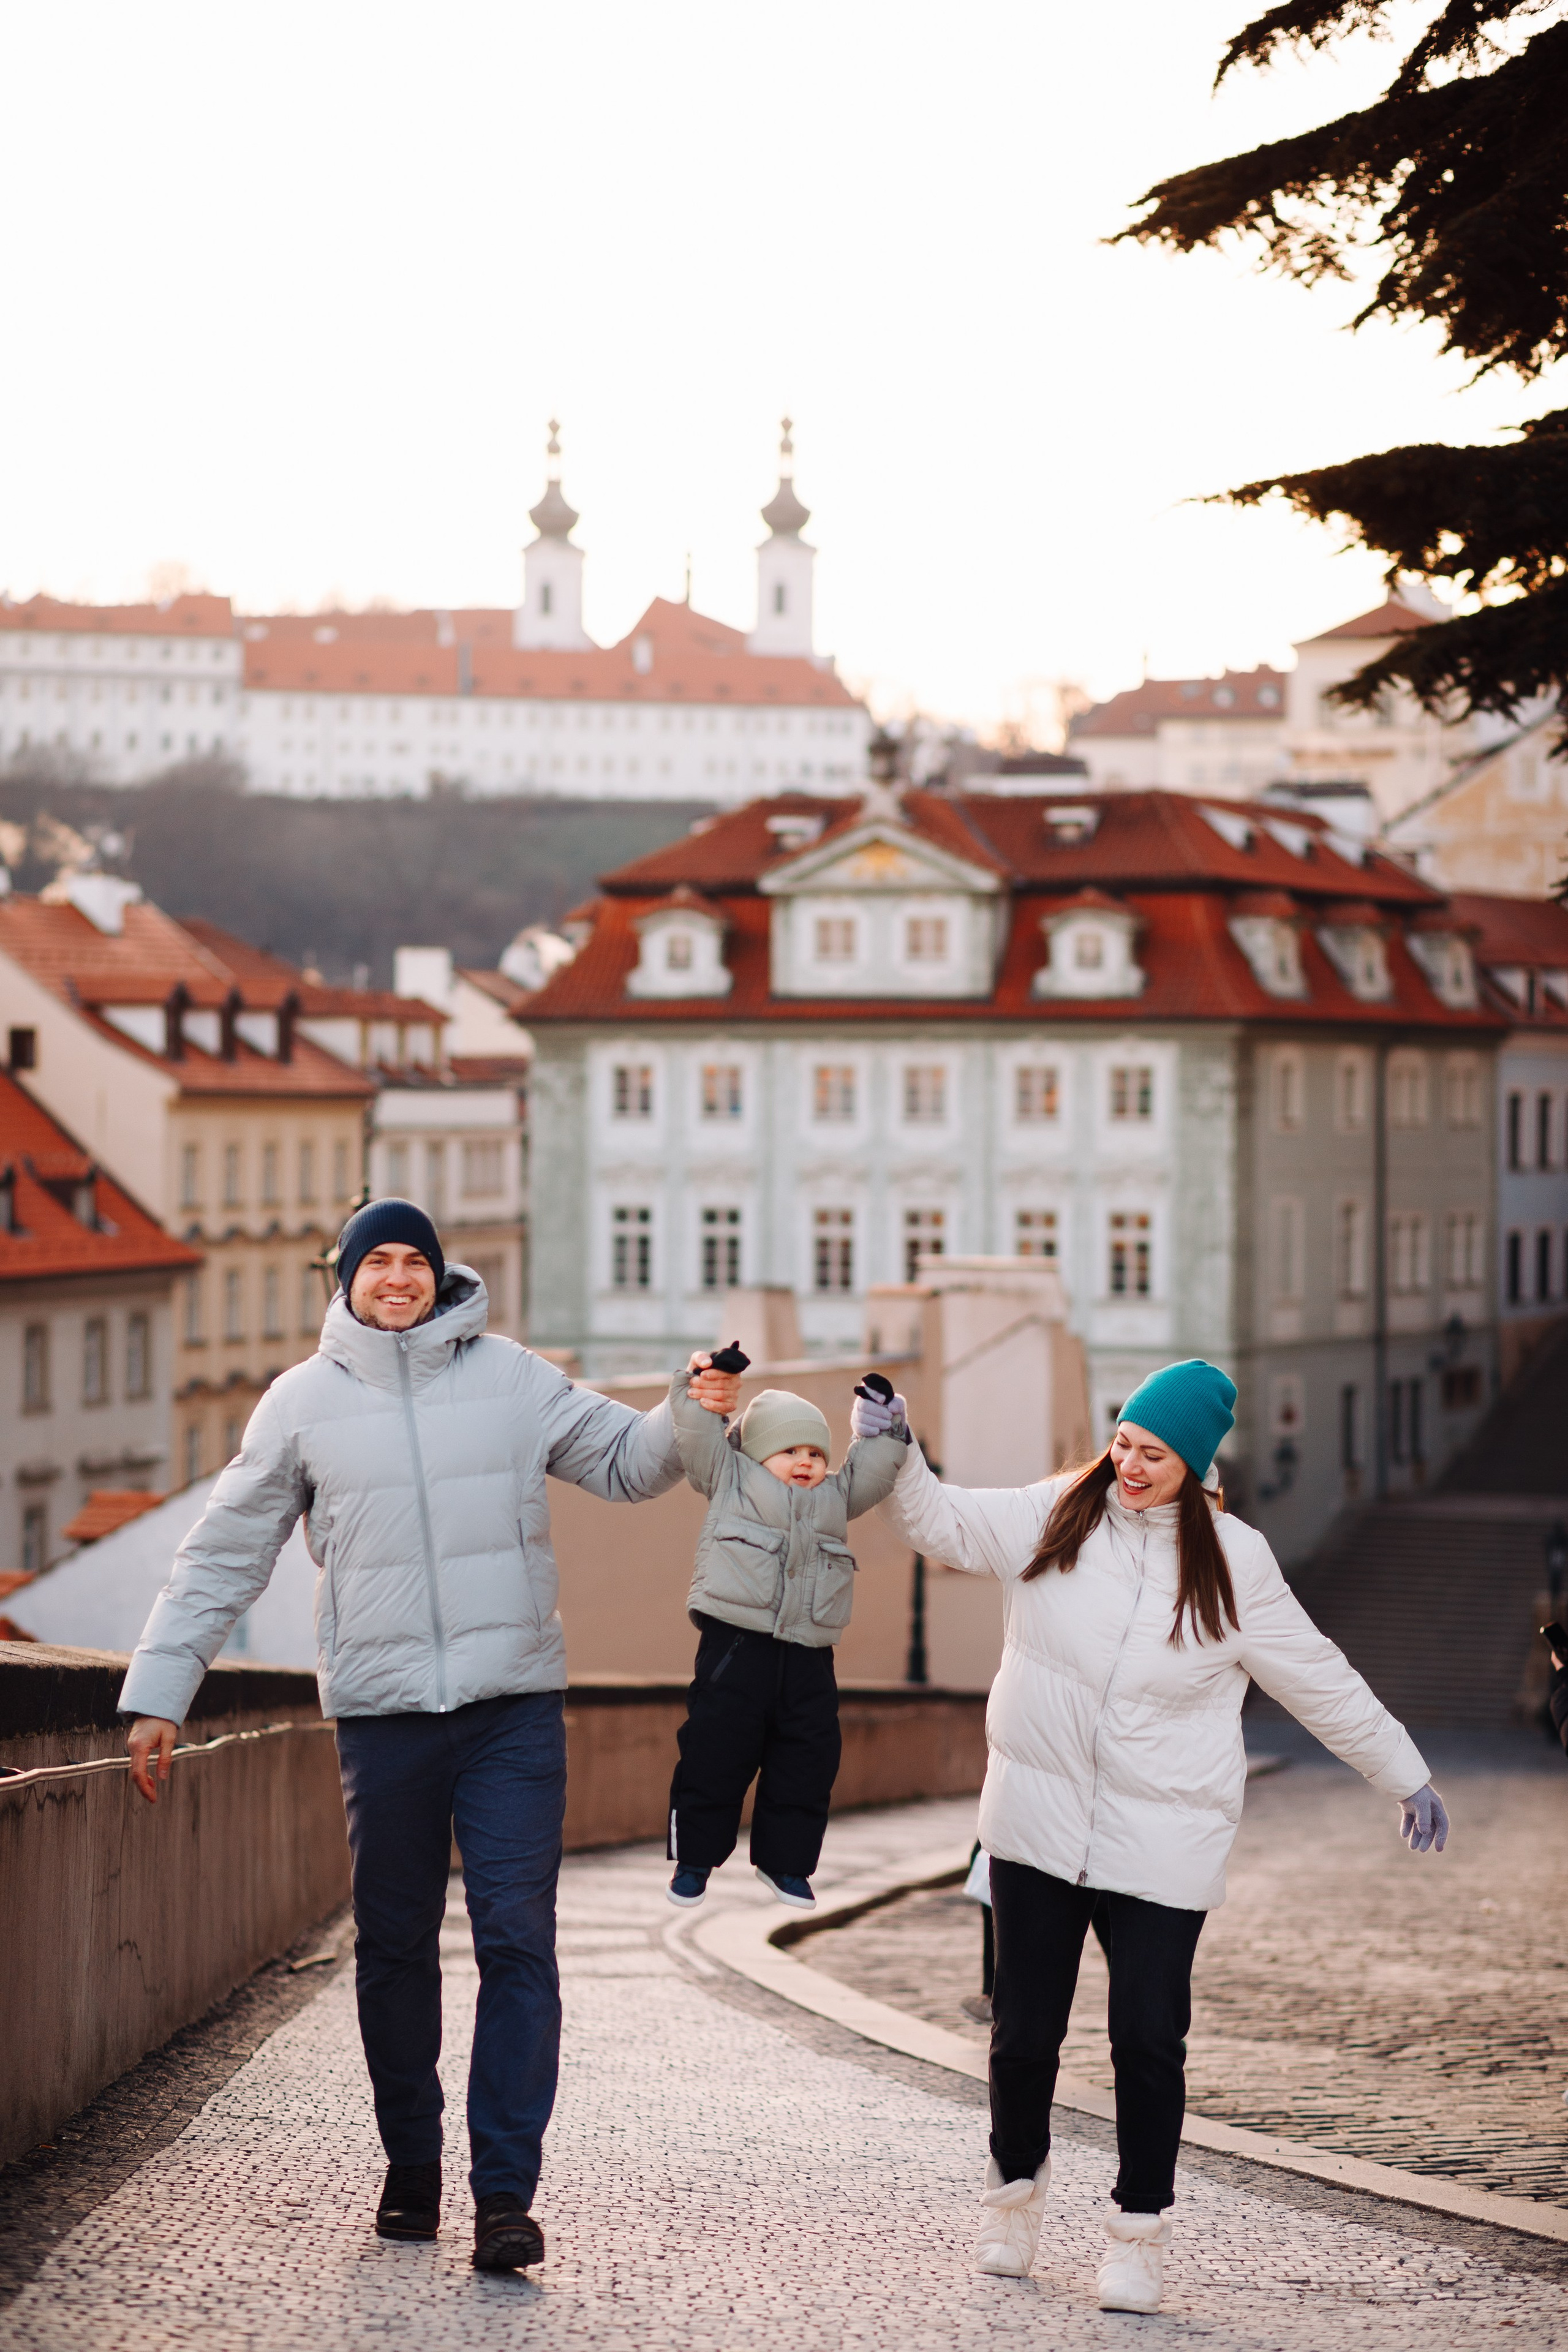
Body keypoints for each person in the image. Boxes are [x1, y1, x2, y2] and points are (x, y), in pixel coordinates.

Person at [119, 1199, 742, 2274]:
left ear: (441, 1277)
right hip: (384, 1718)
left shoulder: (511, 1376)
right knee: (396, 1949)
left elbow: (631, 1465)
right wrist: (161, 1689)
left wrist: (692, 1405)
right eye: (379, 1263)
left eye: (416, 1261)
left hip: (511, 1713)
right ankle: (413, 2166)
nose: (398, 1278)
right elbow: (225, 1551)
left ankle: (505, 2194)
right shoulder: (300, 1403)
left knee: (516, 1940)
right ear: (347, 1280)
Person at [852, 1358, 1448, 2315]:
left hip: (1164, 1839)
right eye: (1124, 1441)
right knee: (1022, 2035)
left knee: (1147, 2040)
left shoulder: (1236, 1560)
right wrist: (893, 1447)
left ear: (1198, 1463)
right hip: (1037, 1828)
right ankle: (1012, 2202)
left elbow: (1318, 1677)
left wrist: (1404, 1772)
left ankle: (1138, 2235)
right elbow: (943, 1522)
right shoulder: (1060, 1510)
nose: (1129, 1464)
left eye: (1153, 1453)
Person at [663, 1373, 908, 1912]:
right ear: (756, 1453)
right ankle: (695, 1860)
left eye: (816, 1453)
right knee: (715, 1753)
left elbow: (872, 1471)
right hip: (737, 1648)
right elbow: (697, 1435)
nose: (806, 1462)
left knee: (810, 1759)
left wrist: (887, 1425)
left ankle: (786, 1865)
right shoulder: (730, 1477)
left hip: (808, 1656)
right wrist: (700, 1385)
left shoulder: (833, 1496)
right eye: (789, 1450)